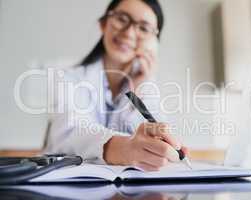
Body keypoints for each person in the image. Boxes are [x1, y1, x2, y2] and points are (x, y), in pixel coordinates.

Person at [45, 0, 188, 171]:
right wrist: (124, 148)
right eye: (122, 19)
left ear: (153, 42)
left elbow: (155, 141)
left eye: (143, 28)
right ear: (104, 24)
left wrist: (138, 90)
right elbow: (70, 132)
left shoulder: (147, 84)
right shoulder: (67, 76)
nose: (129, 33)